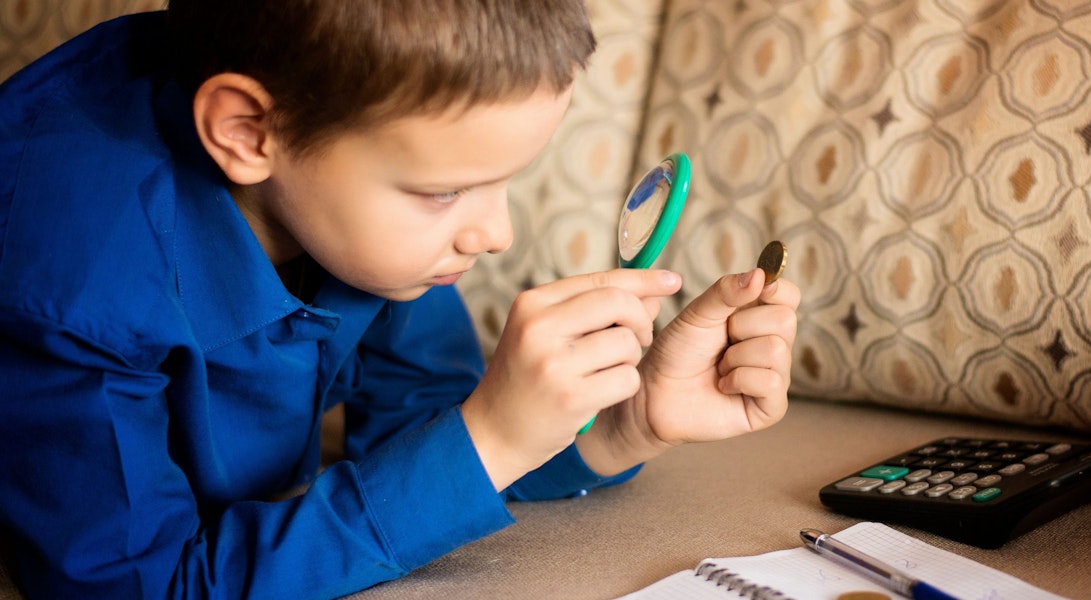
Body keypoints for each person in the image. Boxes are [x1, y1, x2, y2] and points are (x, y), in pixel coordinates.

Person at [0, 1, 801, 598]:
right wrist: (487, 440)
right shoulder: (69, 279)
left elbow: (424, 447)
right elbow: (135, 586)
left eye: (506, 179)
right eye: (446, 190)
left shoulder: (363, 217)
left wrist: (623, 425)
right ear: (248, 133)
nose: (498, 234)